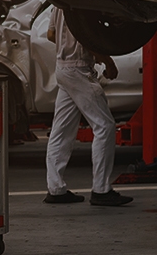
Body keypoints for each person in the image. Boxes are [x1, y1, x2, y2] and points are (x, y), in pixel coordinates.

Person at [44, 13, 133, 207]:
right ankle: (101, 190)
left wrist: (66, 43)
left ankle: (56, 189)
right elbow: (88, 39)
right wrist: (108, 61)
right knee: (105, 126)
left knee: (61, 131)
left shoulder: (58, 1)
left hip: (63, 68)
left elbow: (51, 34)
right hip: (79, 70)